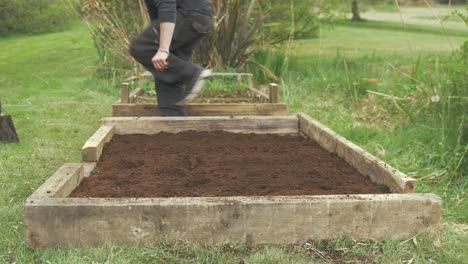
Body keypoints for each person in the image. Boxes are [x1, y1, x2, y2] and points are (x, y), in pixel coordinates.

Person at [129, 0, 213, 116]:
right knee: (165, 69)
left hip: (189, 15)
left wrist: (163, 48)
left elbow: (166, 3)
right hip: (195, 17)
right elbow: (158, 13)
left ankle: (192, 73)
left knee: (141, 47)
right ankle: (175, 127)